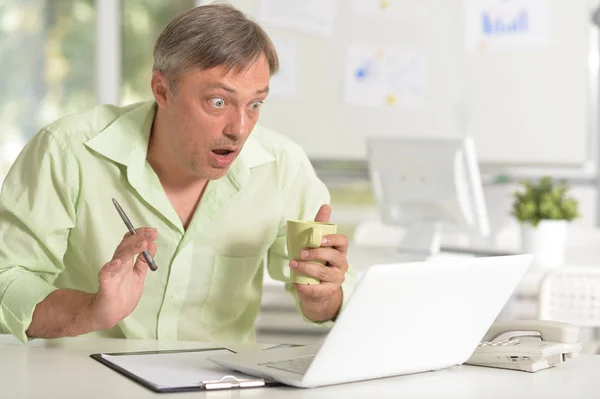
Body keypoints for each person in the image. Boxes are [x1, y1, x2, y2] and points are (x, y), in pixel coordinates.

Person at [0, 4, 355, 343]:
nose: (240, 128)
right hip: (84, 378)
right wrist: (91, 311)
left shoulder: (284, 167)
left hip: (219, 385)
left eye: (255, 104)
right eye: (218, 102)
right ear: (162, 91)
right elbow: (6, 280)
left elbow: (325, 298)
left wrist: (323, 297)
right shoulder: (67, 151)